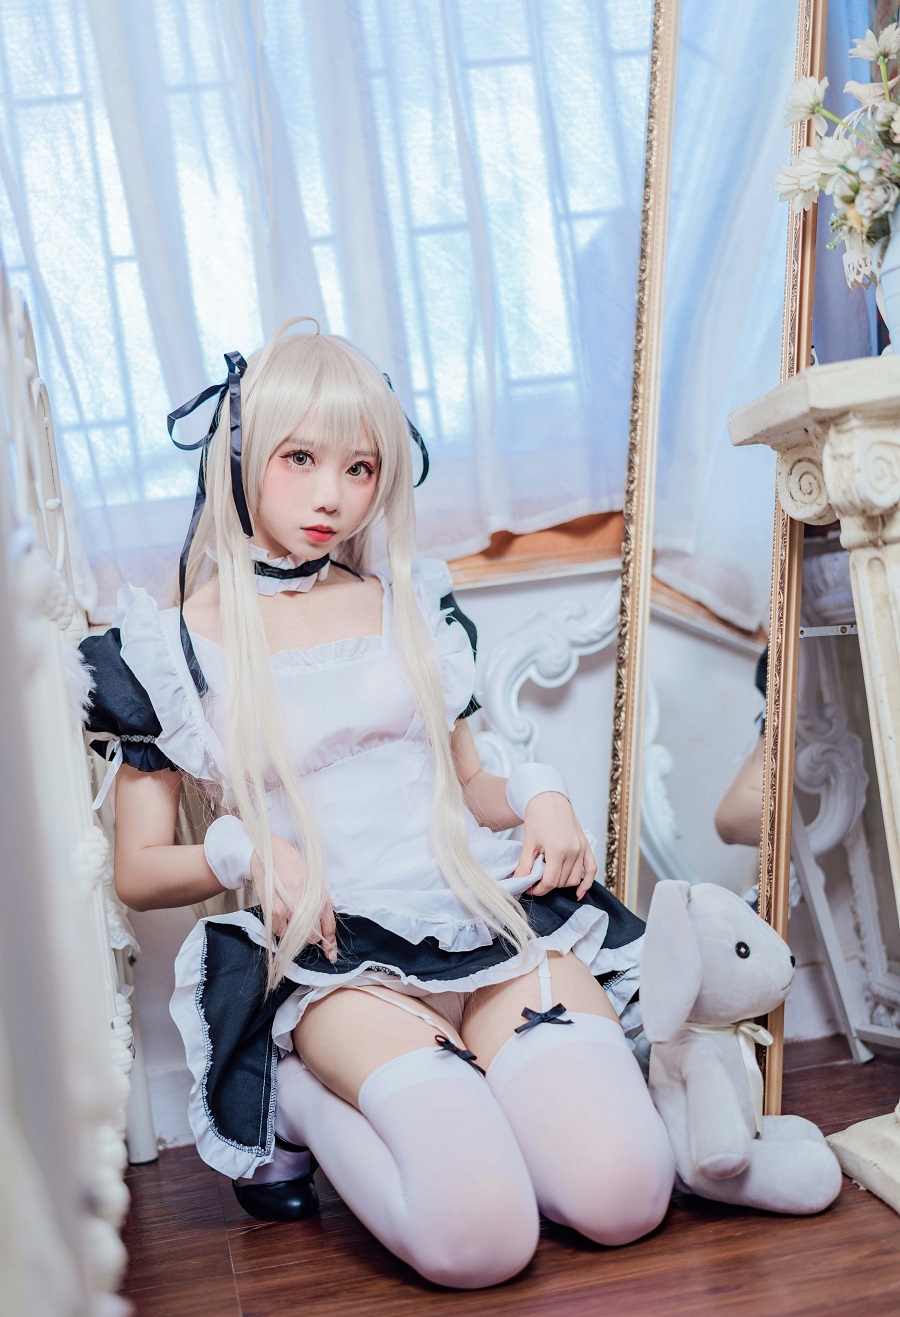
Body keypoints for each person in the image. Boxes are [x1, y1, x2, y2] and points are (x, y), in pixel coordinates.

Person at [81, 320, 674, 1290]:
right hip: (334, 961)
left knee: (624, 1196)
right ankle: (298, 1103)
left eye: (360, 468)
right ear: (240, 456)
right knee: (480, 1242)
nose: (333, 495)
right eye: (301, 459)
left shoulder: (410, 600)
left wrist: (542, 792)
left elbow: (474, 785)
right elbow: (138, 871)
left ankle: (481, 1099)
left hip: (486, 916)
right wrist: (247, 851)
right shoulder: (166, 647)